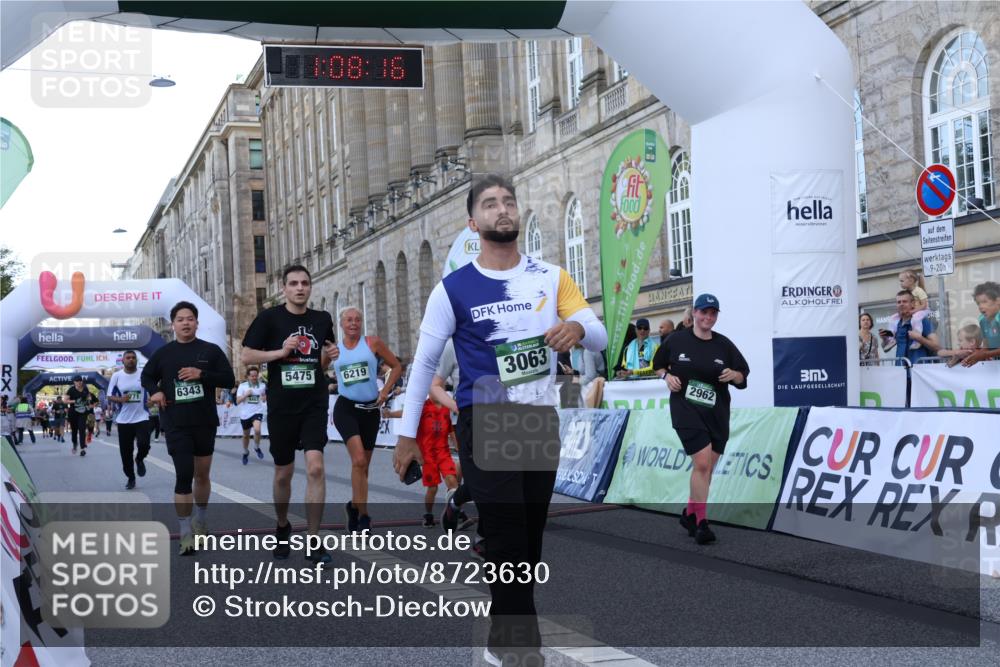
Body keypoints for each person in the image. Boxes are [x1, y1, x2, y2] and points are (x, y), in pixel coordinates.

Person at [393, 174, 607, 664]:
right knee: (507, 537)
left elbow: (598, 333)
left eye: (508, 201)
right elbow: (424, 365)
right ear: (474, 222)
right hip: (485, 420)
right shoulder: (453, 288)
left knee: (527, 543)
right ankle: (522, 651)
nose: (502, 209)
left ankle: (499, 640)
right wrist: (406, 437)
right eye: (489, 204)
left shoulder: (551, 276)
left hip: (538, 421)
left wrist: (577, 328)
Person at [241, 265, 337, 564]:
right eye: (293, 283)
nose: (300, 288)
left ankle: (314, 540)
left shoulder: (322, 319)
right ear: (284, 288)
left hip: (314, 404)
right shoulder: (269, 318)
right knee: (283, 473)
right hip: (282, 406)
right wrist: (280, 353)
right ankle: (282, 525)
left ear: (310, 287)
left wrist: (329, 357)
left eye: (304, 283)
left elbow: (319, 364)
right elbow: (246, 355)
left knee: (316, 468)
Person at [653, 293, 749, 545]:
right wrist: (666, 377)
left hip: (716, 413)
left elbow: (743, 375)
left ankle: (689, 514)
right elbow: (658, 364)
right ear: (694, 313)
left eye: (713, 313)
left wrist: (734, 375)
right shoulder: (677, 340)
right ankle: (701, 523)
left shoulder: (724, 345)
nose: (708, 317)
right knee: (703, 464)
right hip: (686, 409)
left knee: (706, 469)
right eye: (704, 312)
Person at [141, 301, 235, 555]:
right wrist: (155, 391)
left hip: (204, 421)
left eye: (190, 319)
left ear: (196, 323)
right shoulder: (163, 353)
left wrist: (201, 374)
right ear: (173, 324)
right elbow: (146, 376)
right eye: (180, 319)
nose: (185, 323)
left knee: (202, 475)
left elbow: (229, 379)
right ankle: (185, 534)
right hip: (175, 422)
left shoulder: (210, 351)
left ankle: (200, 521)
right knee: (184, 475)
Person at [331, 306, 401, 533]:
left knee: (363, 468)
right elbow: (316, 371)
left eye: (357, 320)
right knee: (359, 461)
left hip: (370, 411)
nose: (353, 323)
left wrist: (385, 392)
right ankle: (363, 516)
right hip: (346, 409)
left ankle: (354, 506)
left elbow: (397, 366)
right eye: (349, 320)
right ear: (341, 324)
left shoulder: (373, 343)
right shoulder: (334, 350)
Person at [384, 393, 458, 528]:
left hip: (444, 453)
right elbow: (406, 414)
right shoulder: (422, 406)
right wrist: (390, 414)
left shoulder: (446, 407)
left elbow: (450, 429)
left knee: (453, 482)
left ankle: (454, 513)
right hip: (427, 455)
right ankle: (428, 514)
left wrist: (457, 445)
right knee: (433, 488)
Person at [107, 350, 151, 490]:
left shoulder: (143, 374)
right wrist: (121, 399)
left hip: (142, 416)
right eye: (128, 357)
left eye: (133, 357)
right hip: (124, 420)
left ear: (136, 360)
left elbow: (152, 389)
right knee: (126, 453)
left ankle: (139, 459)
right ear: (123, 361)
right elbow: (109, 396)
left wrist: (152, 400)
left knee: (144, 444)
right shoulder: (117, 376)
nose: (131, 359)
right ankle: (131, 478)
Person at [879, 290, 939, 363]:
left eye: (905, 301)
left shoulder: (922, 321)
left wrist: (920, 339)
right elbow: (885, 350)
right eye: (899, 302)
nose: (901, 304)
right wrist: (885, 339)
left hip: (919, 368)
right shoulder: (896, 323)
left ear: (912, 304)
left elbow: (936, 346)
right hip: (900, 368)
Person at [962, 281, 1000, 366]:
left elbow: (985, 353)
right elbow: (986, 346)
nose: (980, 306)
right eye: (978, 303)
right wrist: (974, 356)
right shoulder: (982, 320)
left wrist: (983, 355)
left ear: (998, 301)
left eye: (984, 301)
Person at [235, 367, 267, 465]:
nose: (254, 377)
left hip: (257, 411)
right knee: (246, 435)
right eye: (252, 376)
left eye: (255, 376)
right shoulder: (242, 386)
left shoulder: (262, 385)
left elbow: (264, 396)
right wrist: (245, 395)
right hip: (245, 414)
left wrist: (264, 397)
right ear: (248, 376)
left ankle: (256, 447)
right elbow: (237, 401)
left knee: (257, 430)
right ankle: (245, 452)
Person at [897, 269, 930, 350]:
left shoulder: (919, 291)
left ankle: (917, 339)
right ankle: (891, 338)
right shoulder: (907, 292)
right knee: (894, 317)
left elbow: (924, 305)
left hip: (923, 310)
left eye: (902, 281)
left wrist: (913, 311)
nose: (900, 283)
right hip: (915, 311)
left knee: (916, 319)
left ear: (911, 281)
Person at [66, 376, 91, 455]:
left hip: (82, 412)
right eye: (77, 381)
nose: (79, 382)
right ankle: (75, 443)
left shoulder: (85, 389)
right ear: (74, 382)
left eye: (80, 380)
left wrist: (88, 400)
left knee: (82, 429)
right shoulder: (71, 390)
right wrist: (75, 401)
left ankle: (82, 448)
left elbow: (89, 397)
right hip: (73, 412)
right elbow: (65, 400)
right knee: (74, 430)